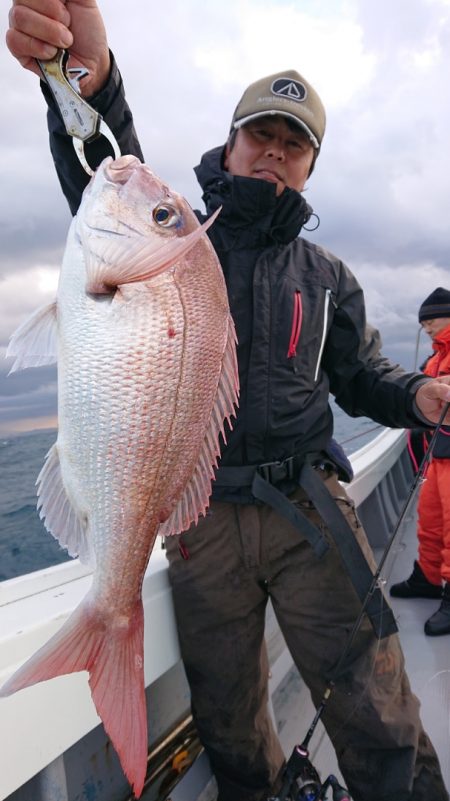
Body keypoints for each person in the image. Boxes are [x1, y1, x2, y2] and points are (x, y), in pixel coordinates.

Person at [6, 3, 450, 800]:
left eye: (294, 145)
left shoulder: (329, 277)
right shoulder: (179, 244)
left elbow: (362, 376)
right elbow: (104, 175)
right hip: (199, 520)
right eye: (261, 136)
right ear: (232, 142)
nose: (274, 154)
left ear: (311, 167)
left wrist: (418, 395)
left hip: (309, 509)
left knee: (376, 704)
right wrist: (89, 83)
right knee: (231, 721)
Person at [391, 288, 450, 636]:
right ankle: (428, 578)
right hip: (436, 456)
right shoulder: (434, 357)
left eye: (432, 320)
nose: (426, 327)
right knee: (430, 522)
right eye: (423, 323)